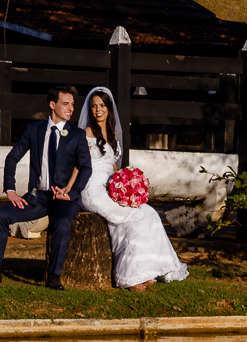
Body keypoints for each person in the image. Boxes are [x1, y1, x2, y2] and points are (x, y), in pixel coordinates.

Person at [61, 87, 188, 292]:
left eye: (102, 105)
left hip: (110, 188)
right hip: (91, 191)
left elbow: (113, 167)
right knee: (132, 218)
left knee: (149, 213)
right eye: (93, 106)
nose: (97, 110)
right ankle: (129, 277)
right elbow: (77, 164)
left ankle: (148, 269)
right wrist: (68, 188)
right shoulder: (86, 133)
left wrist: (127, 185)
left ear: (109, 108)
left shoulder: (112, 134)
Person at [0, 86, 93, 290]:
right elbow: (12, 158)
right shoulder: (33, 130)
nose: (71, 108)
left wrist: (71, 193)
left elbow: (86, 168)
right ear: (52, 105)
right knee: (1, 216)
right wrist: (10, 190)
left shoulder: (77, 135)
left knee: (62, 223)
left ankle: (53, 275)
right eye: (65, 103)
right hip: (38, 198)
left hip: (65, 199)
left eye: (72, 104)